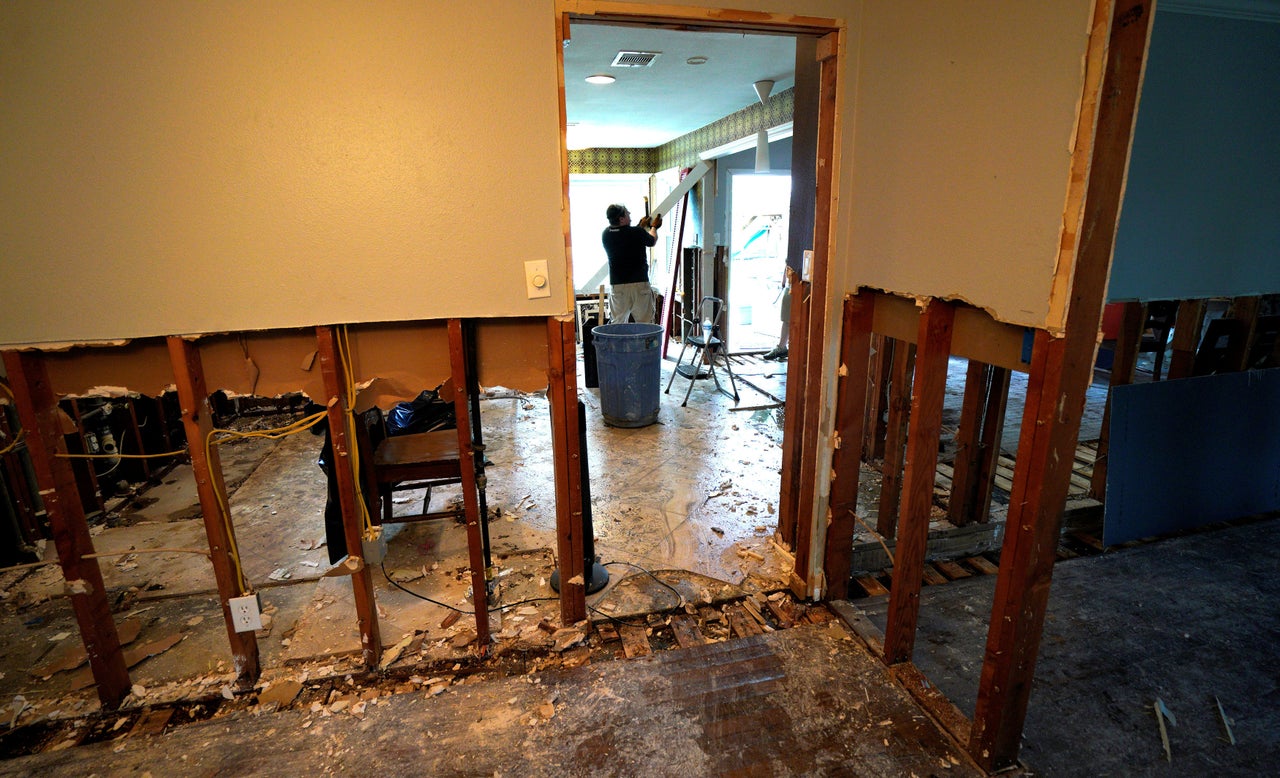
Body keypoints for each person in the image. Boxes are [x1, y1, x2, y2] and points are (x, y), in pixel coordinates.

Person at [602, 203, 661, 323]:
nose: (630, 214)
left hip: (618, 286)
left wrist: (640, 226)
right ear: (621, 219)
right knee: (645, 323)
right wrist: (654, 228)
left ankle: (618, 342)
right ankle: (644, 342)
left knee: (617, 323)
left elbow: (625, 235)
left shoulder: (606, 234)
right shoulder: (637, 232)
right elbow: (652, 240)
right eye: (627, 213)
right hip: (639, 284)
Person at [763, 269, 791, 361]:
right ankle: (781, 347)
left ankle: (786, 348)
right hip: (790, 286)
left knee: (794, 321)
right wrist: (783, 281)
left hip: (799, 285)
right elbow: (787, 265)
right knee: (786, 320)